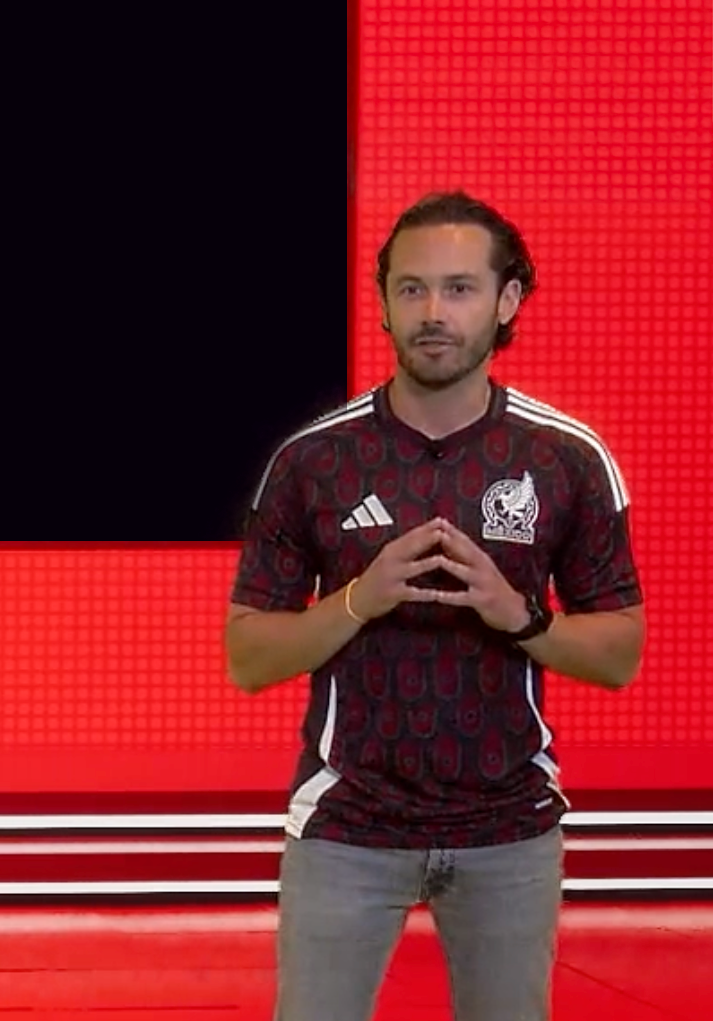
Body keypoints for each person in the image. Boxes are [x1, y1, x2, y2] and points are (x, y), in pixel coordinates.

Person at [226, 191, 646, 1021]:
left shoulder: (564, 459)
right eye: (410, 288)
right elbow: (248, 658)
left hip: (509, 831)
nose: (431, 312)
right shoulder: (312, 461)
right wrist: (359, 597)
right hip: (346, 827)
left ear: (506, 300)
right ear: (383, 302)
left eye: (458, 288)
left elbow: (619, 653)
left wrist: (518, 615)